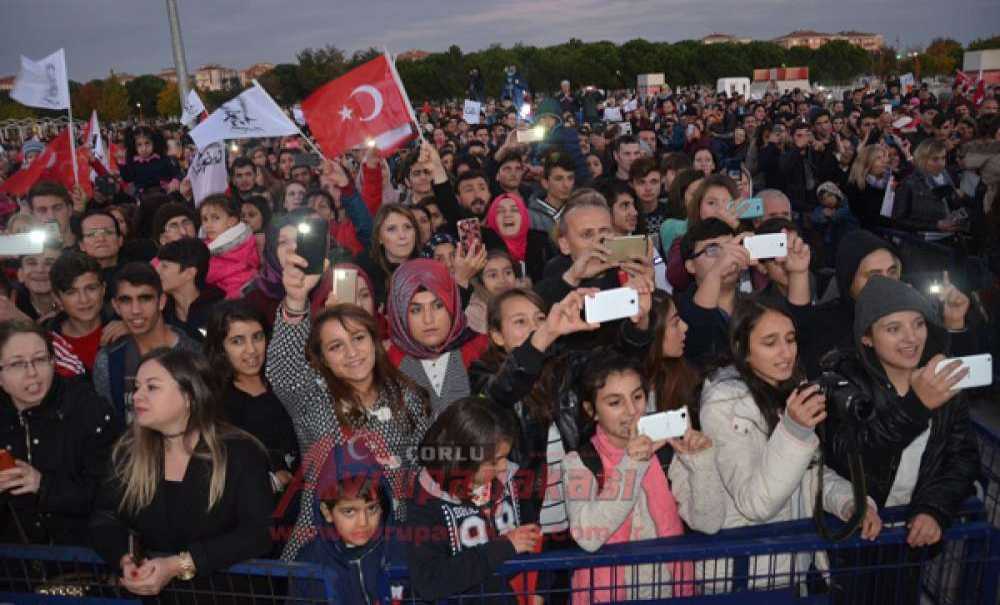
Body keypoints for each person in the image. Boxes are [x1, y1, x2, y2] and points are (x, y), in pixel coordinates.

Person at [692, 297, 880, 593]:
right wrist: (794, 430)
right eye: (770, 342)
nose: (785, 353)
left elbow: (807, 474)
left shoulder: (785, 389)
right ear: (743, 349)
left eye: (790, 340)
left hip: (788, 568)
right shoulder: (724, 405)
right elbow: (756, 504)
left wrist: (850, 503)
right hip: (742, 576)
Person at [820, 276, 980, 603]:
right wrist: (916, 407)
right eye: (893, 329)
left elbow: (961, 457)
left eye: (918, 324)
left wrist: (933, 509)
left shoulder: (941, 380)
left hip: (910, 536)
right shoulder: (843, 385)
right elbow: (849, 454)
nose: (911, 339)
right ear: (866, 337)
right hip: (856, 538)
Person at [266, 252, 429, 559]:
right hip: (320, 546)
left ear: (375, 340)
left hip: (391, 546)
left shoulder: (408, 397)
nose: (352, 353)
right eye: (336, 346)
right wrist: (295, 303)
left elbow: (420, 475)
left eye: (358, 338)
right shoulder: (313, 396)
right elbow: (283, 371)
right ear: (322, 357)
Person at [90, 349, 273, 597]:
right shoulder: (128, 452)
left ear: (189, 396)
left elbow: (257, 534)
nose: (137, 396)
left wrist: (179, 565)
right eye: (137, 387)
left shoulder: (241, 452)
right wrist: (126, 560)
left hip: (230, 595)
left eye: (152, 387)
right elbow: (105, 517)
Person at [561, 352, 709, 602]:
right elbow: (588, 536)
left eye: (637, 397)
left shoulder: (666, 452)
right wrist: (633, 463)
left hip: (669, 591)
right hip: (605, 595)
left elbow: (708, 522)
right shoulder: (579, 462)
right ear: (591, 410)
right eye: (615, 402)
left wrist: (702, 463)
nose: (632, 411)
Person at [405, 396, 538, 604]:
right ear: (462, 460)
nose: (504, 467)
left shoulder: (514, 480)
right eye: (494, 461)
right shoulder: (425, 501)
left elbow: (534, 538)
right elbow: (429, 581)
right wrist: (503, 547)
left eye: (506, 456)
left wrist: (536, 592)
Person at [0, 321, 120, 546]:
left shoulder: (89, 411)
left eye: (40, 360)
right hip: (14, 563)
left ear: (54, 361)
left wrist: (43, 485)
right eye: (17, 364)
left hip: (81, 559)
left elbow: (111, 496)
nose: (32, 373)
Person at [204, 301, 297, 492]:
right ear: (220, 348)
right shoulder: (214, 402)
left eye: (257, 337)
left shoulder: (287, 382)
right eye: (237, 341)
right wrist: (273, 481)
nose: (251, 349)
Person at [93, 263, 201, 422]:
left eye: (145, 299)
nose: (135, 310)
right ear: (116, 306)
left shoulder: (194, 353)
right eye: (126, 300)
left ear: (162, 301)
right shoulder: (108, 361)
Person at [291, 438, 390, 603]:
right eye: (349, 511)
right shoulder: (310, 560)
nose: (363, 522)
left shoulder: (398, 548)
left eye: (372, 508)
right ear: (327, 512)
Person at [385, 258, 488, 415]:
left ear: (452, 305)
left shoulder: (481, 349)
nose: (429, 319)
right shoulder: (385, 363)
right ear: (400, 316)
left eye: (438, 306)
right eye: (416, 310)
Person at [47, 252, 117, 372]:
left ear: (103, 289)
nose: (84, 299)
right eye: (72, 292)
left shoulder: (122, 327)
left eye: (91, 288)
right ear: (57, 298)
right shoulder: (46, 342)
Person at [155, 238, 227, 340]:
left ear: (189, 273)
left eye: (165, 266)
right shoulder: (160, 312)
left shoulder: (219, 314)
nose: (157, 270)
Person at [356, 204, 419, 308]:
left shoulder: (427, 270)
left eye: (407, 227)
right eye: (392, 229)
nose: (402, 236)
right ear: (379, 238)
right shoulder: (364, 271)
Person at [483, 192, 553, 284]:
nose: (508, 215)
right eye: (500, 211)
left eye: (515, 210)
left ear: (524, 215)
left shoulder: (542, 243)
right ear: (492, 218)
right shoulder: (482, 248)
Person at [199, 194, 260, 300]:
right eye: (205, 219)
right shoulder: (204, 246)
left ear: (231, 221)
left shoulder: (246, 244)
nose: (208, 225)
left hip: (240, 296)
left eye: (215, 218)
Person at [27, 181, 76, 249]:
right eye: (42, 210)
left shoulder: (89, 248)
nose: (51, 216)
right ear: (32, 215)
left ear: (70, 210)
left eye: (57, 208)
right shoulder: (27, 253)